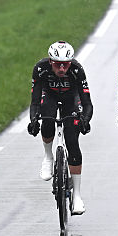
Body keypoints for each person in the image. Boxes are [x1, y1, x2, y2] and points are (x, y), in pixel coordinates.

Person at [29, 40, 93, 215]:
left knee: (72, 141)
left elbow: (87, 103)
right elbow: (35, 102)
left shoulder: (77, 70)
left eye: (66, 64)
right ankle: (48, 157)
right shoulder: (40, 69)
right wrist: (33, 120)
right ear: (51, 62)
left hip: (71, 99)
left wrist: (85, 119)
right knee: (47, 120)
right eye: (58, 64)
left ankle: (77, 196)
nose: (62, 68)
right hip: (49, 96)